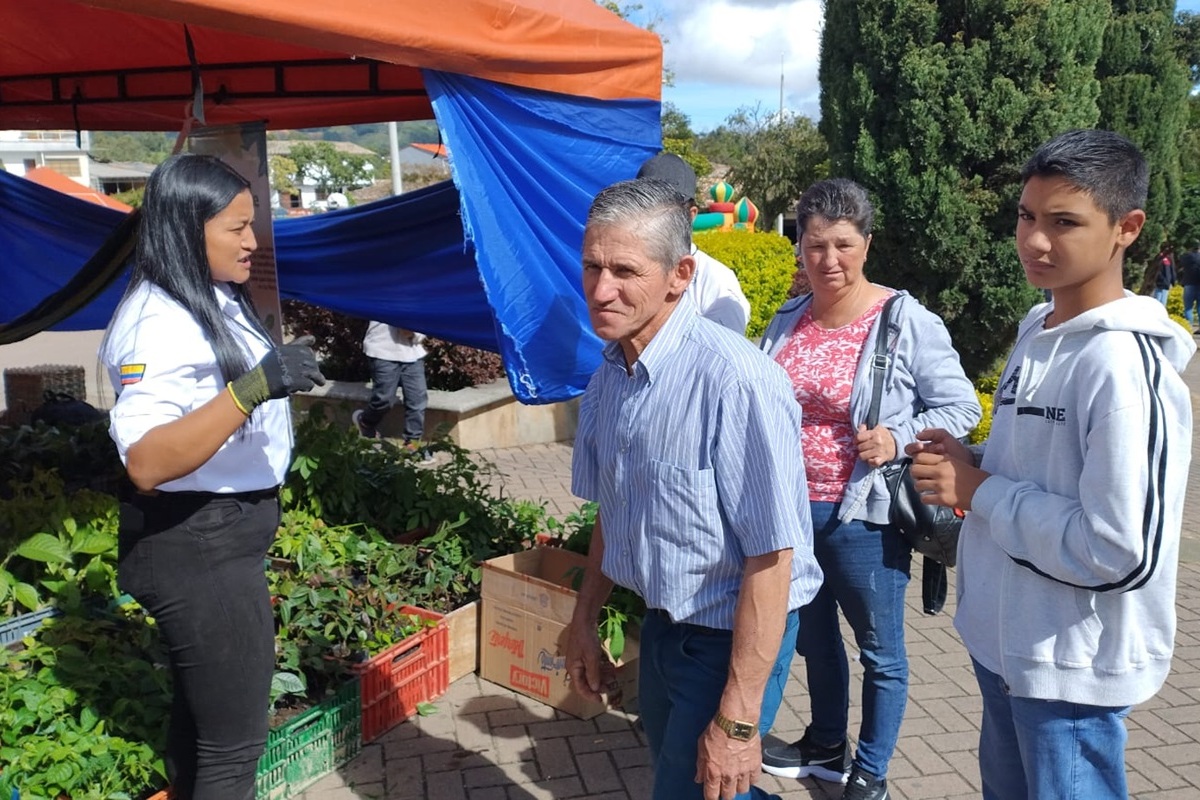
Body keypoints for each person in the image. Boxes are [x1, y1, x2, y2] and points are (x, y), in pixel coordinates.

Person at [908, 129, 1195, 800]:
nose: (1034, 240)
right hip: (1001, 649)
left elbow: (1122, 551)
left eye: (1064, 222)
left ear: (1127, 228)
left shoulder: (1126, 369)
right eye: (1026, 216)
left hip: (1071, 671)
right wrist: (970, 461)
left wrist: (978, 490)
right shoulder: (1036, 331)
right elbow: (1035, 470)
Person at [563, 178, 823, 800]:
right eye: (592, 266)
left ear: (680, 275)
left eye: (625, 270)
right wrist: (584, 618)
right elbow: (613, 509)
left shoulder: (736, 383)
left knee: (699, 784)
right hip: (660, 626)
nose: (602, 290)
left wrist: (738, 720)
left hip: (731, 632)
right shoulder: (611, 375)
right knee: (696, 784)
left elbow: (773, 556)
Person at [99, 153, 325, 800]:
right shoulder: (156, 322)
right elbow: (144, 460)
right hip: (198, 545)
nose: (253, 241)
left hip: (219, 541)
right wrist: (256, 386)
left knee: (202, 731)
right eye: (237, 228)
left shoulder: (208, 295)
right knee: (233, 751)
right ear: (185, 228)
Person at [757, 178, 981, 800]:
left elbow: (961, 406)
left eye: (844, 245)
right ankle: (827, 745)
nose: (829, 260)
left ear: (867, 244)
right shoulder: (788, 318)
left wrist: (898, 435)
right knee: (814, 636)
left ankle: (871, 771)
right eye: (815, 244)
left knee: (880, 650)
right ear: (799, 244)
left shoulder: (904, 320)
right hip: (787, 511)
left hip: (862, 515)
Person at [636, 152, 752, 333]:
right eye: (646, 206)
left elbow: (720, 353)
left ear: (691, 215)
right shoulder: (623, 270)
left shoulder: (716, 282)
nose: (654, 218)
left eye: (666, 209)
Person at [352, 321, 430, 459]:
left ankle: (412, 444)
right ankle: (365, 422)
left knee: (417, 399)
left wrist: (416, 333)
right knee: (384, 399)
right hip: (382, 350)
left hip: (412, 352)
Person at [1179, 241, 1200, 331]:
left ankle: (1188, 328)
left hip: (1189, 284)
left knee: (1188, 308)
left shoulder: (1186, 257)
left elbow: (1180, 264)